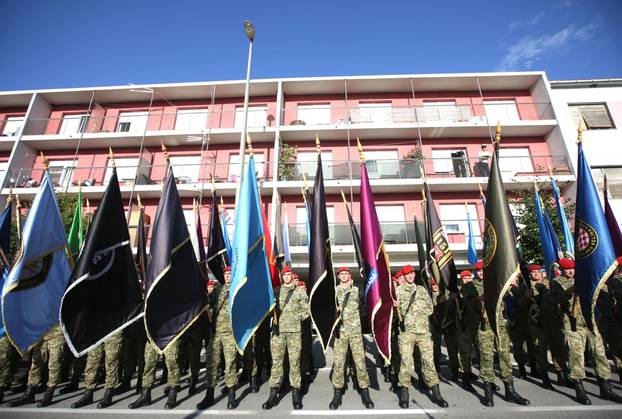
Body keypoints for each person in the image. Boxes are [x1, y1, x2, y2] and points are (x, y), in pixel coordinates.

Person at [550, 258, 622, 405]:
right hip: (572, 324)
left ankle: (605, 387)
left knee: (599, 354)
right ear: (561, 270)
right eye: (567, 269)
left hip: (590, 321)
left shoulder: (584, 279)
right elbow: (557, 300)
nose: (571, 271)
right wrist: (571, 290)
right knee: (576, 357)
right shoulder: (557, 282)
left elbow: (601, 292)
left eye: (573, 268)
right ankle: (580, 389)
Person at [473, 262, 529, 407]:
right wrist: (486, 295)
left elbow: (513, 296)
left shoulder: (498, 283)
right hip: (484, 326)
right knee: (487, 357)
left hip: (500, 325)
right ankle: (488, 391)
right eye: (479, 271)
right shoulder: (470, 286)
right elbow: (471, 302)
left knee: (504, 355)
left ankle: (510, 391)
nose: (481, 274)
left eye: (483, 271)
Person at [396, 265, 447, 408]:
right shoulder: (398, 291)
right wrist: (395, 307)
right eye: (408, 274)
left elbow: (430, 308)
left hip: (423, 332)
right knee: (405, 362)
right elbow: (394, 313)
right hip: (407, 333)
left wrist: (417, 310)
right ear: (404, 277)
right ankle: (404, 394)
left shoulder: (422, 290)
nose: (411, 276)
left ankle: (436, 393)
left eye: (412, 273)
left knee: (428, 361)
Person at [262, 266, 309, 410]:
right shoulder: (276, 291)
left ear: (291, 276)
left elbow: (306, 311)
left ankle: (296, 395)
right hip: (278, 333)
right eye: (285, 275)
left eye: (289, 275)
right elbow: (269, 309)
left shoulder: (299, 291)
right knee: (276, 363)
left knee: (294, 363)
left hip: (294, 332)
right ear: (282, 277)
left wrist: (295, 318)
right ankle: (272, 395)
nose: (287, 277)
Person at [329, 267, 374, 410]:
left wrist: (359, 324)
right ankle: (337, 393)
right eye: (341, 274)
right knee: (339, 363)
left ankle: (365, 391)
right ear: (338, 276)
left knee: (360, 362)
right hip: (340, 333)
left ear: (350, 276)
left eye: (345, 274)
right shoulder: (333, 292)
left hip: (355, 332)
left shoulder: (357, 291)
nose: (343, 276)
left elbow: (363, 309)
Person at [196, 266, 239, 410]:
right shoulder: (218, 290)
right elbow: (207, 302)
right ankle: (209, 395)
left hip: (230, 333)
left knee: (230, 362)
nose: (227, 276)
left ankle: (231, 395)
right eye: (225, 274)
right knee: (211, 363)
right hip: (215, 333)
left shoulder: (237, 290)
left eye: (229, 274)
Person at [10, 325, 65, 407]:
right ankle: (29, 394)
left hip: (58, 330)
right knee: (35, 363)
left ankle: (49, 394)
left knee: (55, 363)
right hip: (41, 329)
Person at [71, 331, 123, 409]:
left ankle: (109, 391)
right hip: (97, 325)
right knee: (93, 358)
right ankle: (88, 392)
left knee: (111, 359)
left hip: (114, 325)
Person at [457, 269, 480, 392]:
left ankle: (487, 378)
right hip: (464, 327)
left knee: (480, 351)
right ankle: (466, 378)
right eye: (464, 279)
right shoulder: (459, 292)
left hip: (476, 325)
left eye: (469, 278)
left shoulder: (475, 290)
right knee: (466, 354)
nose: (467, 280)